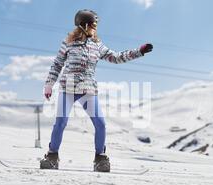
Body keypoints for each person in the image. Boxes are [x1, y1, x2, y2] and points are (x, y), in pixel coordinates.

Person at [40, 9, 153, 172]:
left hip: (88, 90)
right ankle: (52, 156)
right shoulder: (68, 43)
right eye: (93, 25)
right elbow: (57, 64)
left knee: (100, 124)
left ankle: (100, 158)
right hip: (68, 88)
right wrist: (49, 84)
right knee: (60, 123)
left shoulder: (97, 45)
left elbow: (116, 57)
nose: (94, 28)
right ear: (83, 25)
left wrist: (139, 51)